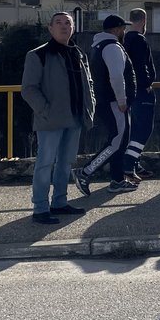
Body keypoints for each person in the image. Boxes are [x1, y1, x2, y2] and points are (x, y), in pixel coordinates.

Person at [21, 12, 95, 224]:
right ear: (50, 28)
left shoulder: (78, 53)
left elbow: (88, 84)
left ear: (73, 28)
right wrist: (45, 110)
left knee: (65, 163)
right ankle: (41, 207)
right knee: (45, 163)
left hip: (75, 117)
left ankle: (60, 202)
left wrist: (90, 109)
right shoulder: (38, 55)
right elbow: (28, 89)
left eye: (68, 23)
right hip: (50, 120)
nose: (64, 27)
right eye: (59, 23)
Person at [73, 14, 136, 196]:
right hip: (114, 102)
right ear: (116, 29)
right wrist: (122, 100)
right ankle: (85, 172)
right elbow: (116, 76)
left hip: (107, 101)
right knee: (116, 142)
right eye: (123, 28)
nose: (124, 31)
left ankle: (117, 180)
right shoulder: (112, 47)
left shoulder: (99, 46)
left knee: (119, 141)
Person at [122, 8, 156, 182]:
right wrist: (147, 83)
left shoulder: (124, 39)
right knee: (143, 129)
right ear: (143, 20)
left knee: (133, 129)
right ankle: (129, 164)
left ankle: (134, 164)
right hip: (142, 91)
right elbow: (142, 66)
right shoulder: (139, 40)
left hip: (129, 91)